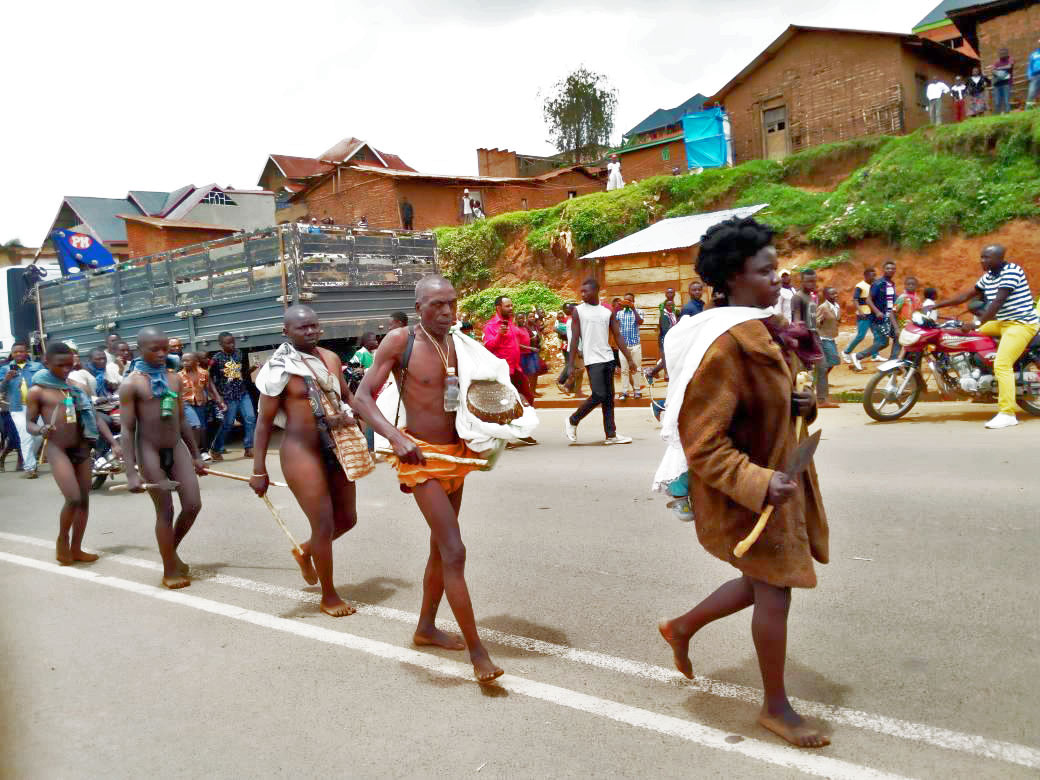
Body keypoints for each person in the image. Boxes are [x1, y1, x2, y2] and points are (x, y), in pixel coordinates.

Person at [655, 215, 829, 749]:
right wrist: (759, 483)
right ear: (733, 277)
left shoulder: (761, 329)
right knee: (774, 591)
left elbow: (769, 404)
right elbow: (702, 441)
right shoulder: (724, 344)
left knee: (762, 582)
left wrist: (804, 403)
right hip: (752, 495)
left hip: (775, 485)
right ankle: (775, 708)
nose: (778, 279)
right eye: (766, 271)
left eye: (777, 269)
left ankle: (681, 627)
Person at [352, 275, 504, 683]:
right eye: (436, 304)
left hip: (454, 456)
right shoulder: (401, 342)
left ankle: (425, 628)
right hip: (419, 459)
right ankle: (478, 654)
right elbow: (361, 398)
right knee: (455, 551)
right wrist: (396, 437)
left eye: (451, 303)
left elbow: (487, 392)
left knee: (440, 549)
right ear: (419, 306)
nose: (447, 312)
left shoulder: (461, 344)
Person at [251, 306, 363, 617]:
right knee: (324, 524)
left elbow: (348, 398)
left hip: (336, 445)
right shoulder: (277, 369)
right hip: (301, 452)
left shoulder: (330, 359)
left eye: (314, 326)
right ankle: (329, 596)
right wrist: (258, 469)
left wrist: (379, 428)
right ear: (286, 331)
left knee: (348, 519)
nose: (310, 331)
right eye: (302, 328)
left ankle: (305, 551)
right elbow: (263, 423)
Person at [120, 327, 207, 589]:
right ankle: (170, 570)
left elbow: (181, 420)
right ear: (140, 349)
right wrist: (131, 472)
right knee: (165, 510)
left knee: (193, 505)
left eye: (164, 349)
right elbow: (127, 429)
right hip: (149, 451)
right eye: (153, 349)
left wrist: (195, 455)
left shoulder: (174, 378)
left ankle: (170, 551)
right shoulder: (131, 384)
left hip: (176, 446)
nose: (161, 354)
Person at [26, 342, 120, 565]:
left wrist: (113, 444)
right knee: (73, 498)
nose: (66, 369)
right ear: (46, 362)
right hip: (58, 449)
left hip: (82, 449)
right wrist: (40, 429)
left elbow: (95, 416)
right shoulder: (37, 391)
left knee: (84, 500)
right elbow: (29, 423)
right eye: (61, 365)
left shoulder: (76, 388)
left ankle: (77, 548)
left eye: (70, 364)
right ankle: (62, 541)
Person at [926, 245, 1038, 429]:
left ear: (999, 258)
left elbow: (997, 303)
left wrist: (976, 323)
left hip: (1021, 324)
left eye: (987, 258)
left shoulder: (1012, 271)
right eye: (981, 257)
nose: (982, 261)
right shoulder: (989, 277)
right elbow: (966, 296)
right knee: (967, 336)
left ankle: (1007, 413)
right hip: (1003, 323)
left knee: (1002, 364)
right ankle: (978, 369)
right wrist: (936, 306)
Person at [565, 277, 638, 445]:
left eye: (586, 291)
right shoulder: (578, 311)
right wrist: (570, 365)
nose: (582, 294)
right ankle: (573, 420)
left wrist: (629, 358)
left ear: (596, 291)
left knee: (609, 398)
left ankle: (611, 435)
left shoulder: (607, 311)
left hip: (607, 357)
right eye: (581, 291)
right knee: (598, 394)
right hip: (592, 359)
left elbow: (617, 336)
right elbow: (574, 339)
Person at [209, 331, 256, 461]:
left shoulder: (239, 353)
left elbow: (241, 373)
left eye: (233, 342)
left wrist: (252, 369)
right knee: (228, 424)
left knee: (250, 418)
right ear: (220, 344)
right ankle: (215, 449)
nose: (232, 345)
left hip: (242, 392)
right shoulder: (216, 359)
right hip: (227, 395)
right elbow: (208, 378)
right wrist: (218, 397)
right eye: (228, 343)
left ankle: (249, 448)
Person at [483, 296, 534, 406]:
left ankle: (522, 421)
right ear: (498, 308)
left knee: (528, 397)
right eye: (507, 306)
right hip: (502, 371)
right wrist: (499, 335)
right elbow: (488, 347)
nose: (511, 308)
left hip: (515, 368)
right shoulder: (490, 326)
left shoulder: (511, 323)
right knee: (505, 402)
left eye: (511, 305)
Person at [2, 342, 44, 475]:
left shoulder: (37, 366)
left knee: (39, 435)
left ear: (27, 352)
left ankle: (30, 459)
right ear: (12, 353)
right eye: (16, 352)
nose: (19, 354)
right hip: (17, 407)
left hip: (38, 406)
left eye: (21, 351)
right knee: (25, 435)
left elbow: (45, 382)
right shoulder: (5, 369)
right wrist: (6, 380)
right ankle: (30, 468)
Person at [852, 260, 897, 371]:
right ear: (883, 270)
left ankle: (893, 362)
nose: (890, 270)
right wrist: (877, 312)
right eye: (888, 268)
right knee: (883, 342)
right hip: (879, 319)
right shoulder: (878, 283)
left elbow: (891, 301)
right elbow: (868, 300)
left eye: (892, 268)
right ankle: (858, 356)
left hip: (889, 317)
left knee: (894, 338)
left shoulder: (892, 284)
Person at [179, 351, 225, 458]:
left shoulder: (204, 373)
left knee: (203, 428)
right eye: (183, 361)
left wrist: (219, 401)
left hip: (200, 403)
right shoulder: (179, 376)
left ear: (196, 362)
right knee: (196, 425)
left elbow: (209, 388)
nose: (184, 363)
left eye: (187, 360)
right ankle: (194, 452)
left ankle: (203, 451)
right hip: (185, 403)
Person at [842, 268, 876, 364]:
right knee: (861, 336)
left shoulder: (873, 285)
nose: (874, 277)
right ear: (866, 276)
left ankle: (875, 355)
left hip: (872, 313)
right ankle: (846, 352)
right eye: (872, 275)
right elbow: (855, 299)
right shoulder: (860, 286)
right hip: (864, 314)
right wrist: (860, 311)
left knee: (876, 335)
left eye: (875, 275)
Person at [615, 292, 645, 400]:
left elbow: (640, 321)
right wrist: (619, 306)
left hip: (635, 345)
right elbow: (616, 328)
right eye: (626, 301)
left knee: (636, 368)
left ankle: (637, 390)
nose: (628, 303)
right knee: (624, 369)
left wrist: (633, 309)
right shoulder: (619, 313)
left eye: (630, 301)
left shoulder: (639, 311)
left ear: (633, 301)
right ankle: (624, 391)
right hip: (623, 347)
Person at [816, 287, 841, 408]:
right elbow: (816, 322)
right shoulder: (823, 307)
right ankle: (822, 398)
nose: (835, 295)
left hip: (832, 338)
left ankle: (818, 379)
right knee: (828, 363)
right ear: (826, 296)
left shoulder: (836, 306)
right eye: (832, 293)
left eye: (835, 292)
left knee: (833, 361)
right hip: (823, 339)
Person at [891, 276, 922, 359]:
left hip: (913, 330)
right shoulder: (902, 298)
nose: (911, 286)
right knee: (896, 351)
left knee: (910, 351)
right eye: (908, 284)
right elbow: (892, 313)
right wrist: (896, 328)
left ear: (916, 286)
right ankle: (891, 369)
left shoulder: (917, 299)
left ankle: (907, 369)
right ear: (905, 286)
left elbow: (919, 314)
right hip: (901, 329)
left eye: (913, 284)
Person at [991, 49, 1014, 115]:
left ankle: (1008, 115)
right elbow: (992, 70)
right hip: (997, 84)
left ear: (1007, 53)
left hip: (1006, 83)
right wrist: (998, 72)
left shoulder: (1010, 60)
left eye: (1004, 53)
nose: (1002, 54)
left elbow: (1009, 66)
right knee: (997, 102)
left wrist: (998, 69)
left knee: (1006, 100)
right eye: (1001, 53)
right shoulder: (997, 62)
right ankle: (997, 116)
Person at [1028, 38, 1040, 110]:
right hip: (1035, 75)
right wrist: (1029, 75)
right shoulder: (1034, 54)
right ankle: (1029, 108)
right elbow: (1030, 66)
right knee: (1032, 92)